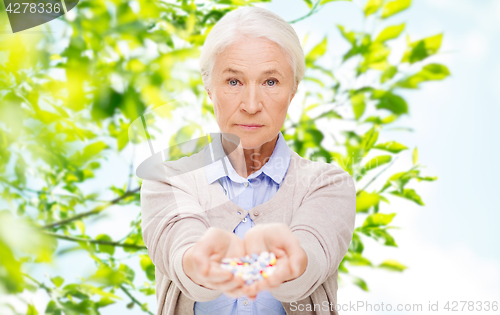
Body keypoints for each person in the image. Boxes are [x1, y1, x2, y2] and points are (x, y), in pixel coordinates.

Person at [140, 6, 356, 315]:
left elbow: (314, 254)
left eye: (270, 82)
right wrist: (199, 261)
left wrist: (291, 261)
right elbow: (179, 245)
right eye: (233, 82)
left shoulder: (328, 184)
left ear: (293, 88)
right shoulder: (168, 179)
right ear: (208, 87)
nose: (252, 105)